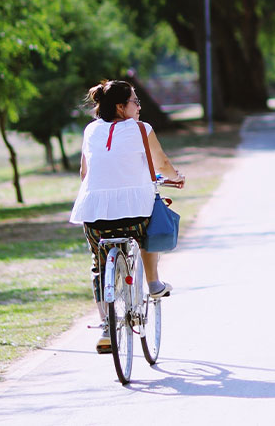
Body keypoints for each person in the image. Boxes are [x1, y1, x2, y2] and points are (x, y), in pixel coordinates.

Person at [70, 79, 185, 354]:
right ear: (121, 108)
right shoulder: (142, 130)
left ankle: (107, 328)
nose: (139, 107)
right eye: (135, 101)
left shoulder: (90, 131)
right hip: (136, 213)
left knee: (99, 266)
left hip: (94, 214)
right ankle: (154, 283)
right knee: (147, 233)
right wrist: (176, 177)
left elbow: (85, 173)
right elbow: (163, 164)